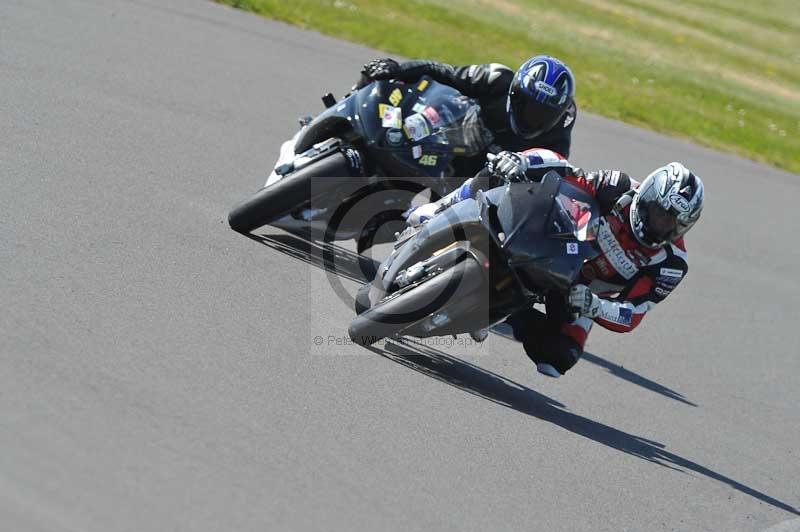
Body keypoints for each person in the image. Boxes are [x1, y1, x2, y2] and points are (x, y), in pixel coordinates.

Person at [407, 149, 705, 378]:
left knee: (558, 358)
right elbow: (565, 169)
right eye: (658, 212)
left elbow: (633, 313)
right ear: (648, 195)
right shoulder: (618, 187)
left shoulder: (671, 264)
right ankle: (444, 208)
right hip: (558, 246)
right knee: (499, 171)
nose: (661, 223)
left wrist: (595, 305)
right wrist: (522, 161)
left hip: (580, 292)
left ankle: (496, 313)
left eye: (672, 222)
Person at [356, 56, 577, 174]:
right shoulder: (496, 78)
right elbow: (441, 71)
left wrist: (524, 167)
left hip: (483, 178)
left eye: (543, 113)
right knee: (382, 83)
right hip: (451, 136)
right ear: (514, 93)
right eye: (528, 106)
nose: (533, 117)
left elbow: (554, 173)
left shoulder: (558, 134)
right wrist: (397, 69)